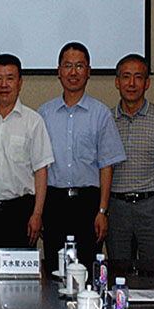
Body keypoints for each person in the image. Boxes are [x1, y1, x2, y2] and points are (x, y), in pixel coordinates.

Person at [39, 42, 126, 269]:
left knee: (87, 268)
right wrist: (39, 211)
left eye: (79, 66)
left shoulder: (100, 113)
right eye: (68, 66)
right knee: (54, 269)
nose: (73, 72)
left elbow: (106, 166)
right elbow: (38, 167)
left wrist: (102, 211)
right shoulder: (45, 113)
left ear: (88, 71)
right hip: (54, 202)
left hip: (88, 203)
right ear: (59, 71)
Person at [0, 54, 54, 263]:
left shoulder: (33, 121)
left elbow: (41, 171)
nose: (4, 85)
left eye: (10, 78)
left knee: (20, 278)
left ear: (20, 82)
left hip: (21, 212)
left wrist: (37, 214)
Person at [109, 54, 154, 276]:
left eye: (138, 77)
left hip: (152, 207)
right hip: (117, 207)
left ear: (147, 83)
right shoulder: (106, 120)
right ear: (117, 82)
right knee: (119, 273)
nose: (132, 83)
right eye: (126, 77)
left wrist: (153, 196)